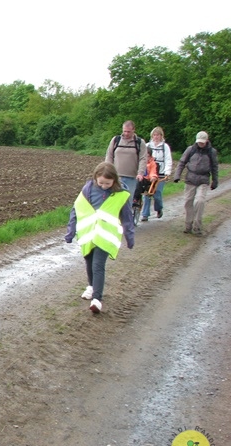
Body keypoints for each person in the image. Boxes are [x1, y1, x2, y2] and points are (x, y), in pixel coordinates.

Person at [65, 162, 135, 314]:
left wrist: (130, 237)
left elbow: (127, 218)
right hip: (88, 233)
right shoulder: (87, 190)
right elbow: (76, 210)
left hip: (105, 236)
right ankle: (91, 286)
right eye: (101, 183)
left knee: (98, 264)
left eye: (108, 184)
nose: (104, 186)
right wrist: (70, 232)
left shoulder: (121, 194)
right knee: (89, 261)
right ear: (95, 178)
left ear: (114, 181)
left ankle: (97, 299)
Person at [173, 131, 219, 236]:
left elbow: (214, 167)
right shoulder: (191, 149)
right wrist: (177, 175)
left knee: (200, 201)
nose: (201, 144)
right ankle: (188, 225)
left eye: (203, 142)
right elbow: (182, 162)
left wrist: (215, 180)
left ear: (207, 141)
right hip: (190, 179)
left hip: (203, 179)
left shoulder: (211, 152)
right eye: (199, 142)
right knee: (188, 202)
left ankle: (197, 227)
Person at [105, 120, 147, 197]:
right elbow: (109, 156)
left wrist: (140, 173)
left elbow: (143, 159)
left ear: (133, 130)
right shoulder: (115, 140)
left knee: (127, 201)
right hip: (116, 177)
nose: (126, 134)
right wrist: (108, 170)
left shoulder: (139, 142)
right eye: (124, 131)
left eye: (129, 132)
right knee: (114, 199)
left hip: (131, 177)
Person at [141, 126, 172, 221]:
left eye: (158, 135)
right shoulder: (147, 146)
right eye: (154, 135)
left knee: (157, 193)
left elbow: (168, 159)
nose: (156, 137)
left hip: (160, 173)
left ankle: (159, 208)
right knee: (147, 193)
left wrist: (167, 172)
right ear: (152, 136)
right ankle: (145, 214)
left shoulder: (164, 147)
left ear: (161, 136)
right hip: (148, 172)